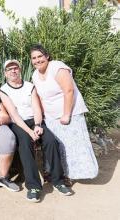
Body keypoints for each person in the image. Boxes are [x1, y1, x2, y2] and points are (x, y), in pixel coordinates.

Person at [0, 59, 72, 202]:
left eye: (15, 68)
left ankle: (58, 181)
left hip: (35, 120)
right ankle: (33, 186)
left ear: (19, 70)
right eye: (9, 69)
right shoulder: (3, 90)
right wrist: (29, 131)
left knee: (51, 141)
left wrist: (38, 125)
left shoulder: (29, 86)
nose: (13, 71)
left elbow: (36, 108)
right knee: (25, 145)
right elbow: (13, 114)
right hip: (19, 124)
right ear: (5, 73)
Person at [30, 44, 98, 181]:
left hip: (70, 114)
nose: (37, 60)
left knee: (74, 147)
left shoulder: (57, 67)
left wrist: (66, 114)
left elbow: (69, 91)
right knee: (61, 148)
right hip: (51, 117)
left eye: (40, 56)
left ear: (47, 56)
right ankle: (65, 175)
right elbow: (41, 98)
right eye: (34, 58)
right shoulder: (35, 75)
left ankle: (78, 174)